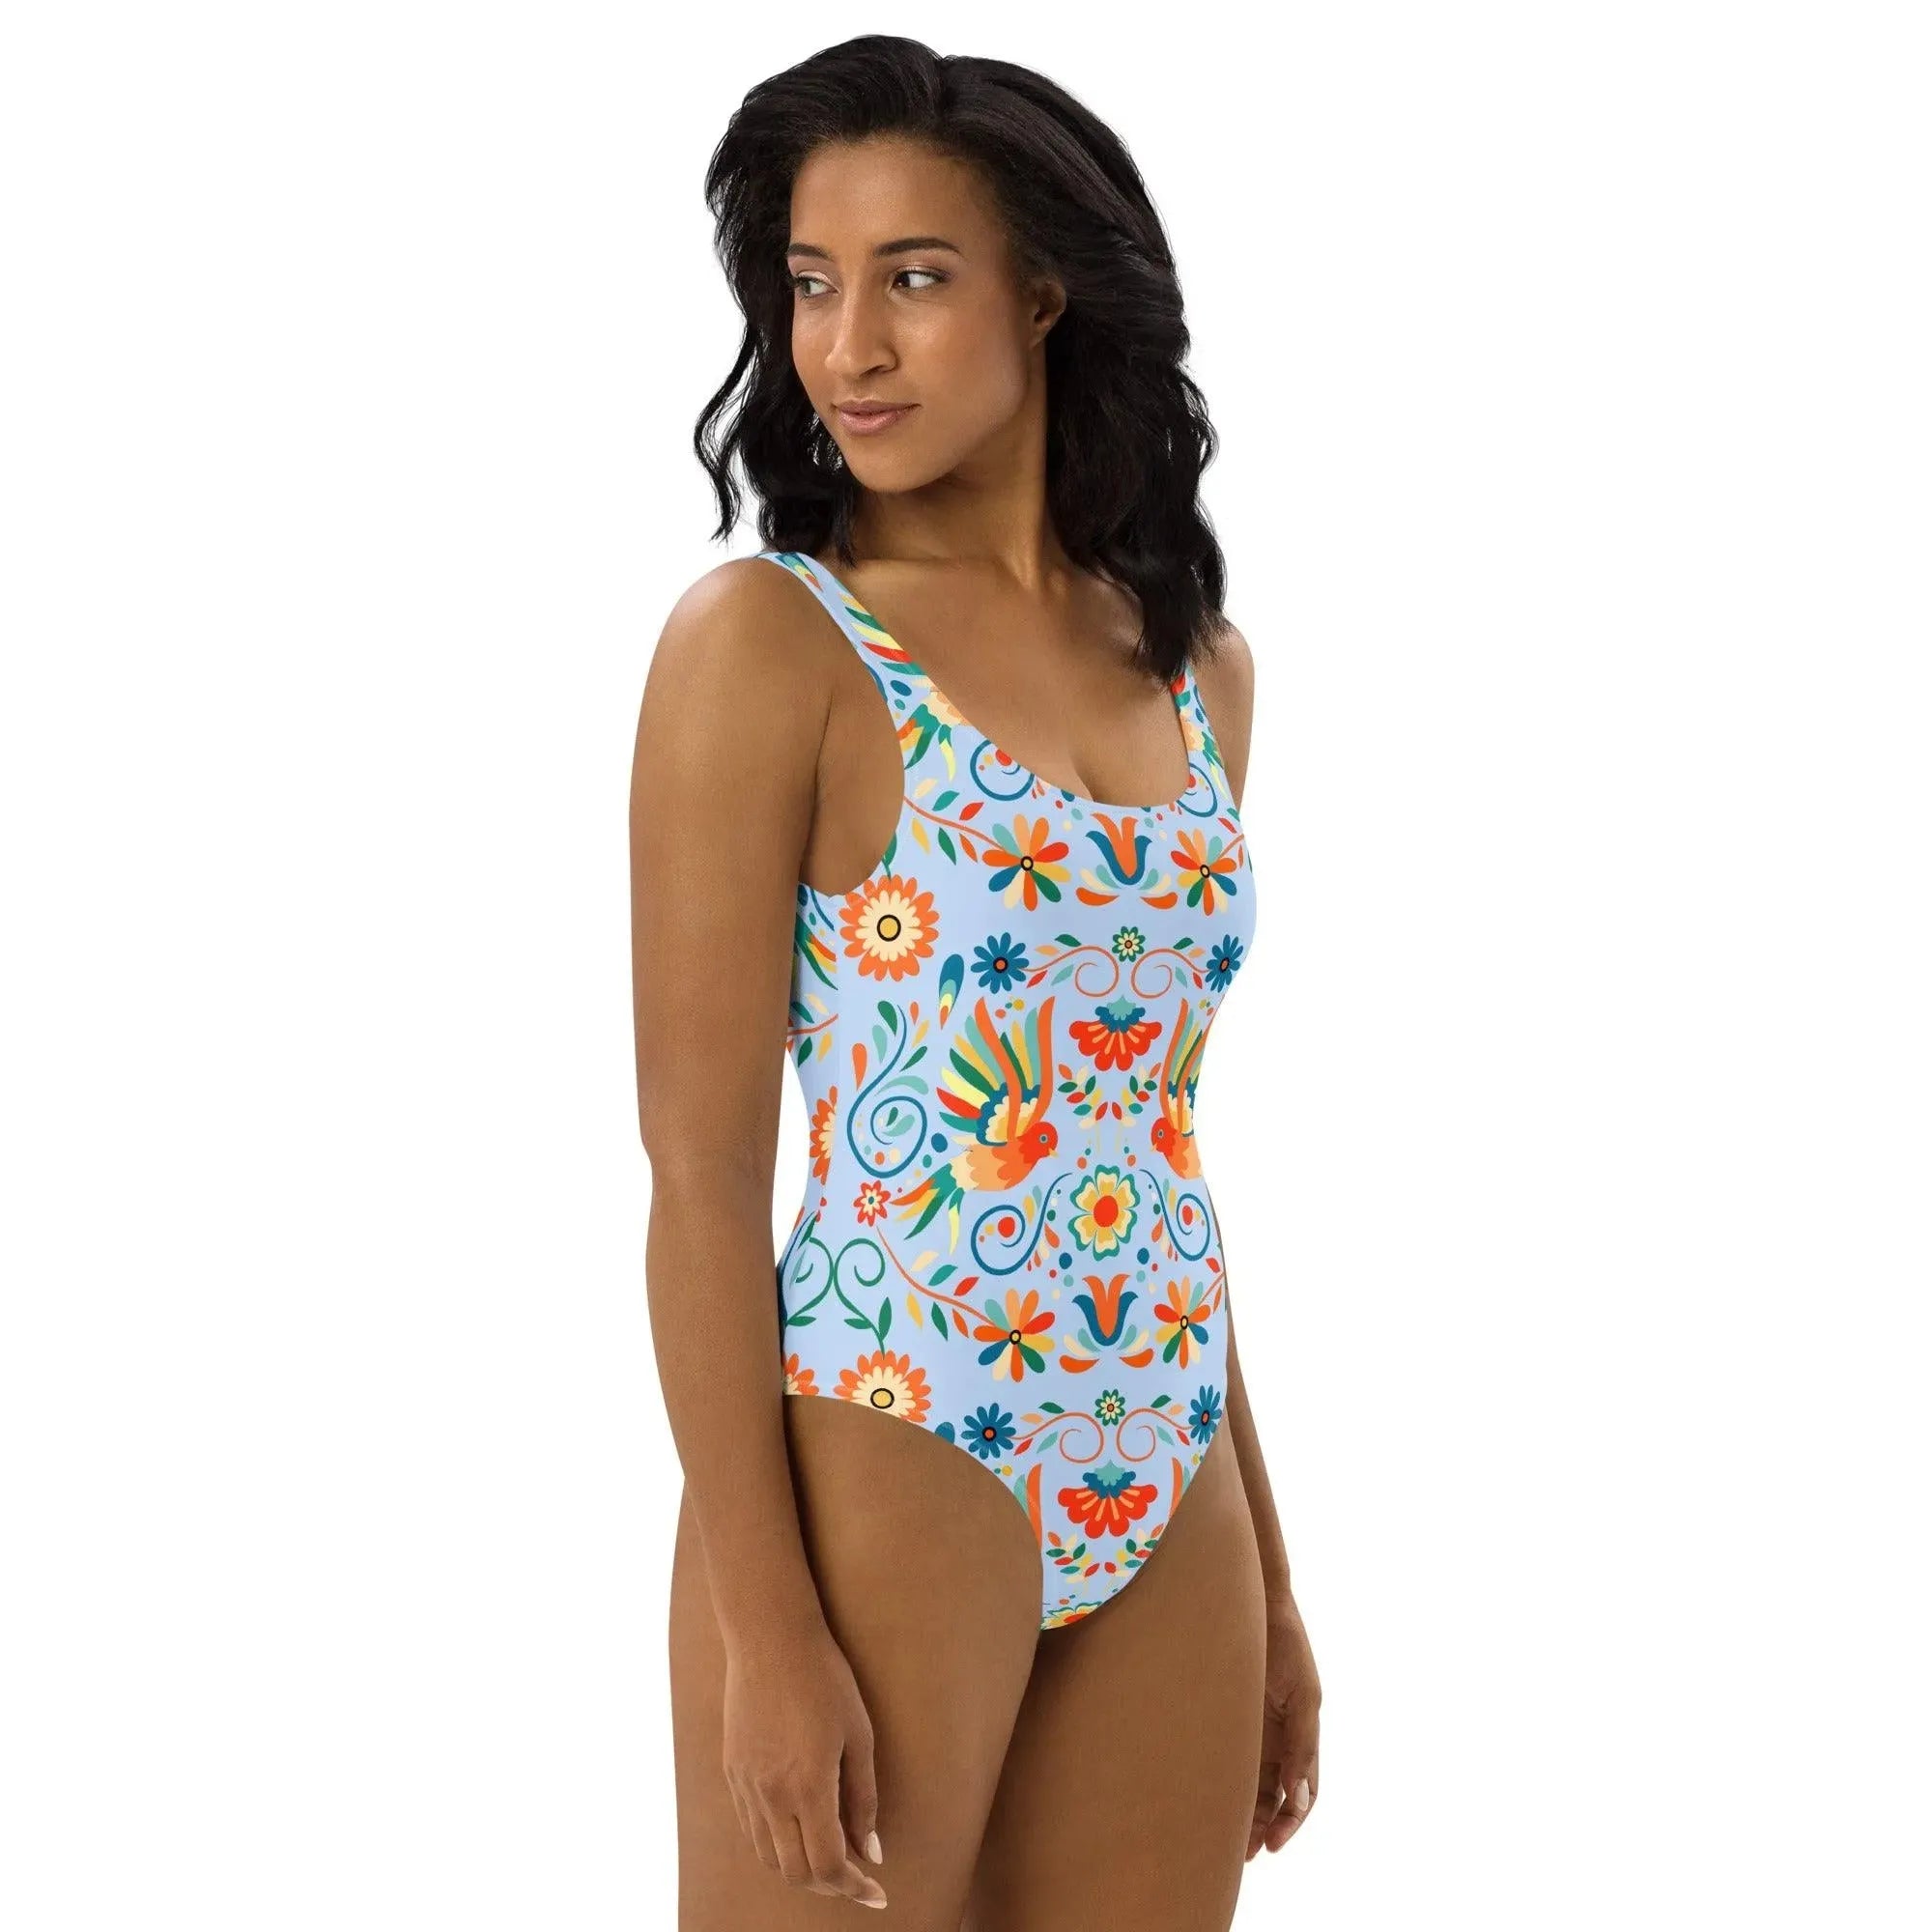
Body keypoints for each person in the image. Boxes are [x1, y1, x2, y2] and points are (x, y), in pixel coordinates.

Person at [629, 36, 1320, 1929]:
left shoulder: (1197, 666)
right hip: (896, 1431)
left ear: (1044, 296)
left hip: (1169, 1456)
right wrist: (764, 1632)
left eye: (913, 279)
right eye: (810, 284)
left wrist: (1267, 1565)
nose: (846, 347)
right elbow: (698, 1172)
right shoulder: (773, 645)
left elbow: (1151, 1128)